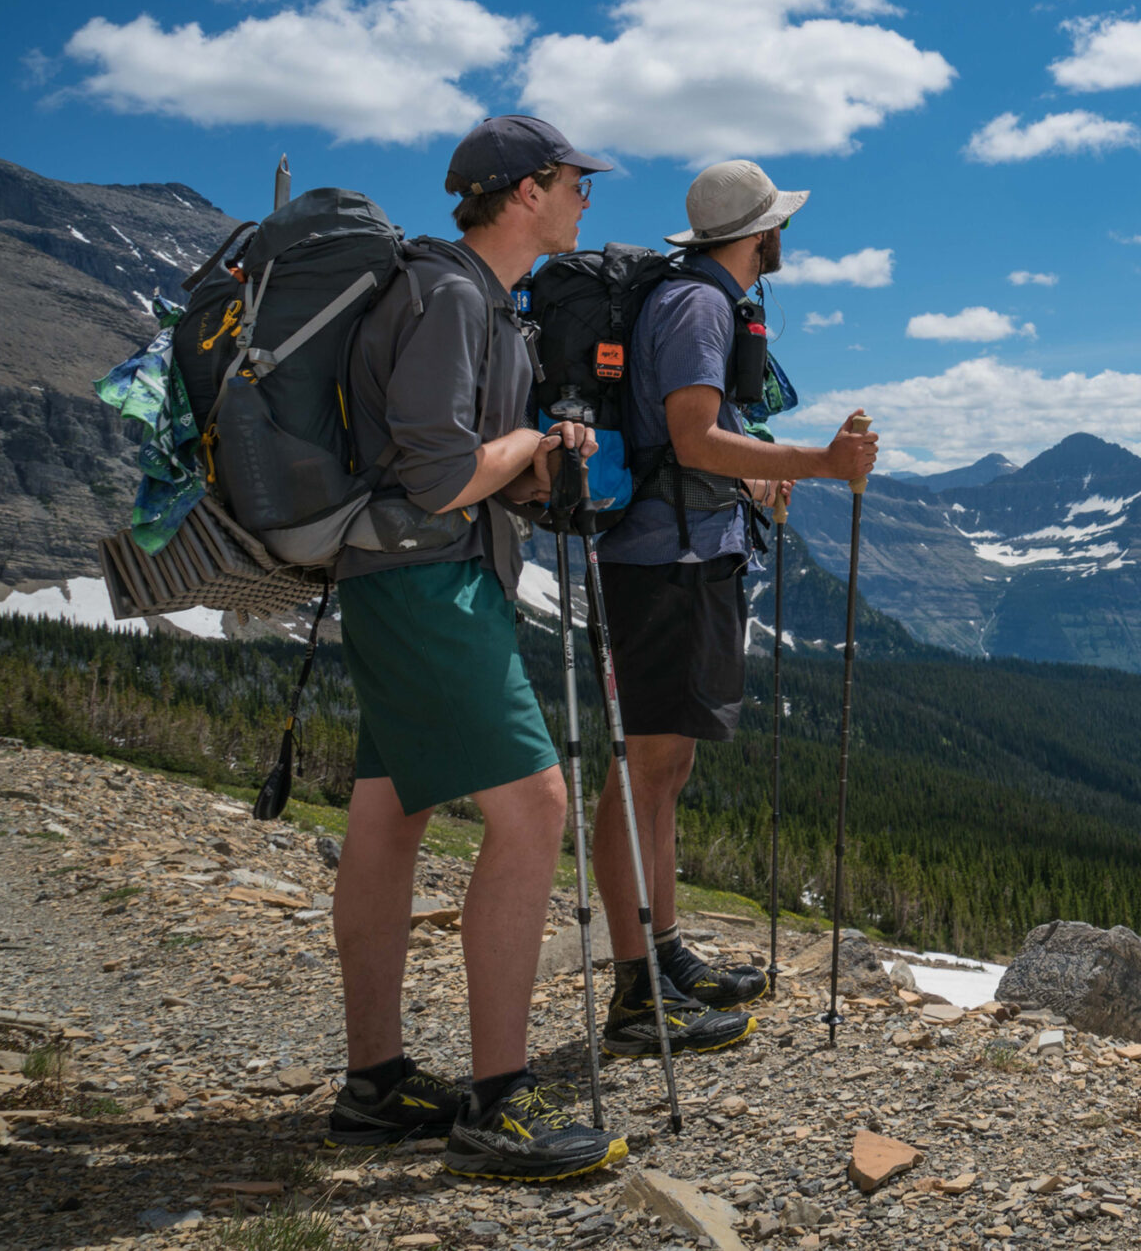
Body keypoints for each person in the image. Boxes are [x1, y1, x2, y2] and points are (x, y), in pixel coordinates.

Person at [324, 115, 626, 1182]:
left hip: (409, 577)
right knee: (534, 806)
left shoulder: (482, 300)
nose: (587, 197)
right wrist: (532, 444)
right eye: (572, 182)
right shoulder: (453, 296)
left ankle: (376, 1084)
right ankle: (497, 1101)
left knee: (390, 808)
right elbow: (445, 474)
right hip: (425, 580)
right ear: (521, 192)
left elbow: (475, 467)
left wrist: (542, 462)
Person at [590, 159, 879, 1056]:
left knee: (662, 768)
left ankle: (663, 954)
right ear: (763, 235)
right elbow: (689, 435)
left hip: (685, 549)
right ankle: (639, 993)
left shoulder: (700, 298)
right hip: (666, 561)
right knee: (644, 768)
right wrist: (820, 464)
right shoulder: (702, 306)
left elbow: (698, 443)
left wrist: (755, 474)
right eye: (779, 226)